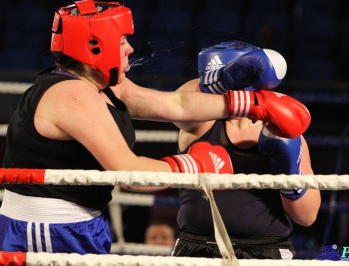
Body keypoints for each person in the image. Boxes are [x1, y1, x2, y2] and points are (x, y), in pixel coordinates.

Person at [0, 1, 311, 255]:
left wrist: (251, 104)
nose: (130, 49)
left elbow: (176, 105)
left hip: (82, 221)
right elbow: (128, 172)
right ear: (95, 45)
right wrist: (195, 166)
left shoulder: (108, 86)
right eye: (122, 41)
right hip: (45, 226)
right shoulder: (71, 95)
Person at [170, 41, 321, 259]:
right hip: (197, 246)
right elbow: (179, 102)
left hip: (266, 249)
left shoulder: (283, 130)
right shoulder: (199, 122)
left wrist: (289, 171)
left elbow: (307, 216)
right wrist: (224, 78)